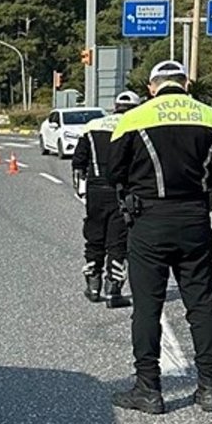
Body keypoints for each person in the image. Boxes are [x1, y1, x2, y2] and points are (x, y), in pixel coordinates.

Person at [106, 60, 212, 414]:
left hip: (148, 219)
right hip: (195, 219)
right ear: (187, 84)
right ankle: (210, 389)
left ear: (152, 87)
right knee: (201, 303)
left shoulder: (133, 119)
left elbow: (112, 172)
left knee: (147, 307)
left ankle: (148, 390)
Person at [71, 90, 141, 308]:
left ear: (115, 105)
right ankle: (114, 291)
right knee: (118, 240)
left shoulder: (93, 125)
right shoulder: (136, 127)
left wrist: (84, 183)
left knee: (94, 236)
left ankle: (93, 286)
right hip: (122, 189)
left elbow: (78, 161)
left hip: (95, 189)